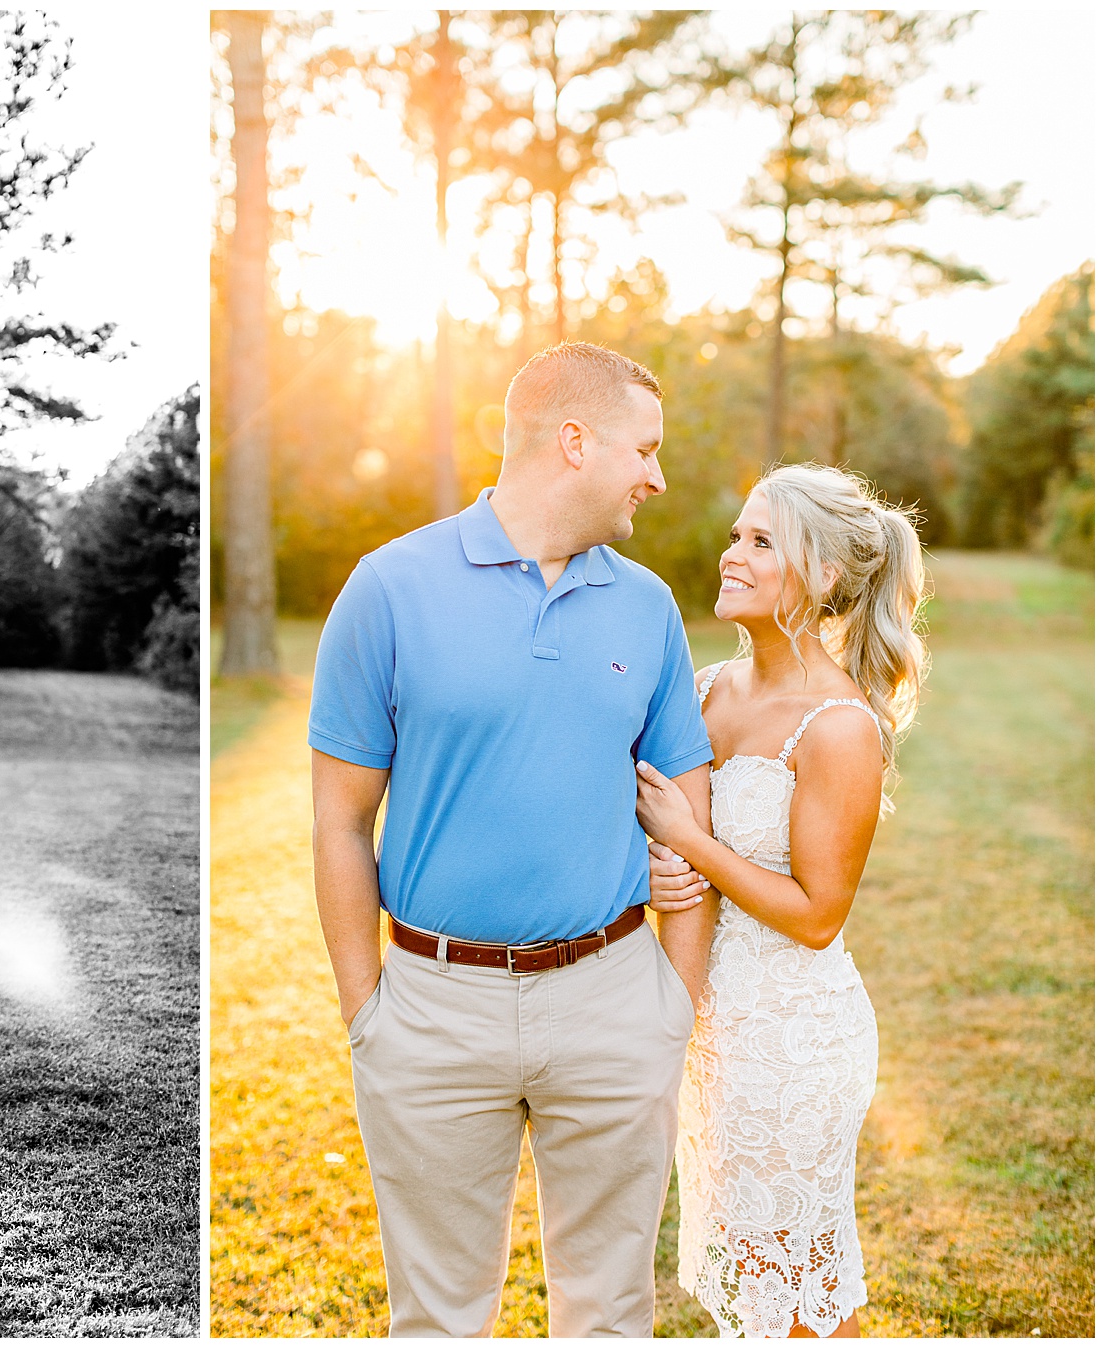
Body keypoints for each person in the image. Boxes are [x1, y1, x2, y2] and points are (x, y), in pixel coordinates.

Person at [309, 341, 719, 1337]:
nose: (658, 477)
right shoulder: (389, 587)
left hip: (615, 999)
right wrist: (370, 1007)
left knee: (611, 1309)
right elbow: (338, 817)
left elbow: (690, 813)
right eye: (646, 450)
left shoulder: (649, 605)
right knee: (440, 1318)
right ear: (575, 441)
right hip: (432, 1011)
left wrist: (675, 999)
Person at [635, 463, 926, 1338]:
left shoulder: (838, 727)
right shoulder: (707, 689)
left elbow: (816, 913)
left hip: (793, 1037)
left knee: (790, 1297)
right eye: (736, 534)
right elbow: (656, 827)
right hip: (711, 1023)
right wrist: (655, 864)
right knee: (747, 1289)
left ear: (824, 576)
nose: (733, 553)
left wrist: (691, 844)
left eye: (763, 542)